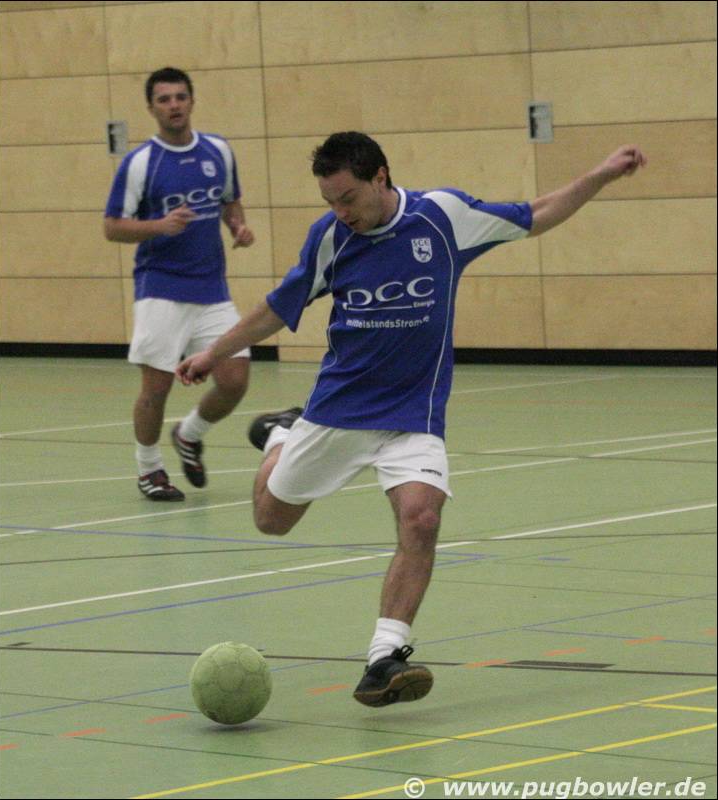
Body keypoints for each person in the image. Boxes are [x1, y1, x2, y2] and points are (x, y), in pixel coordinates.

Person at [176, 132, 647, 706]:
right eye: (330, 202)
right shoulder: (330, 238)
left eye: (348, 198)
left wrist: (601, 173)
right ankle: (281, 434)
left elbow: (537, 214)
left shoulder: (443, 218)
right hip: (340, 410)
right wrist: (214, 353)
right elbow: (279, 306)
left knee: (421, 519)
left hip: (413, 414)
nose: (340, 212)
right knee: (271, 520)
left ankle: (385, 657)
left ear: (380, 178)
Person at [104, 67, 254, 501]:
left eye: (180, 97)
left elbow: (229, 201)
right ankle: (149, 470)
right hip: (161, 288)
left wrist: (238, 227)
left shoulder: (218, 150)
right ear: (151, 108)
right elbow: (112, 227)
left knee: (235, 378)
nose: (174, 105)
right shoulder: (141, 163)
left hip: (212, 289)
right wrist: (159, 226)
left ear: (191, 101)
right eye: (164, 99)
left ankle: (189, 434)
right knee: (157, 387)